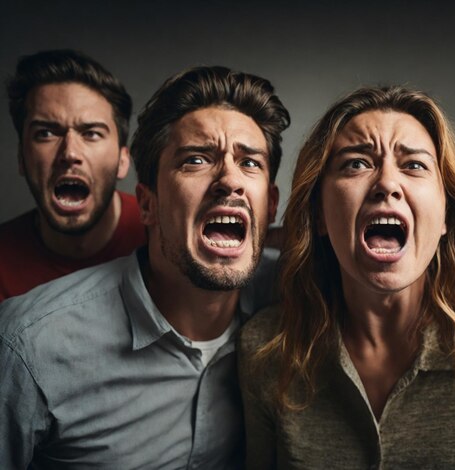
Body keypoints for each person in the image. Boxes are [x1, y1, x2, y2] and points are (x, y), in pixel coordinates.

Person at [238, 86, 455, 469]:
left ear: (447, 216)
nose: (387, 183)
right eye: (356, 163)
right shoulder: (267, 349)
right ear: (318, 213)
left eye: (414, 165)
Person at [0, 65, 289, 468]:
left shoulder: (293, 295)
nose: (229, 180)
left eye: (250, 163)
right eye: (196, 160)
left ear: (270, 205)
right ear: (148, 204)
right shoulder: (27, 347)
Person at [0, 49, 146, 302]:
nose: (69, 153)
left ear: (123, 161)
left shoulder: (164, 239)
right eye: (46, 133)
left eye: (91, 133)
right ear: (22, 159)